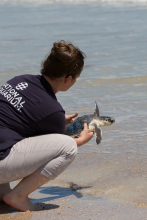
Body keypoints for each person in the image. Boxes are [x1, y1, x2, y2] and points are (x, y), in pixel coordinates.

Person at [0, 40, 94, 212]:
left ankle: (2, 191)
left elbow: (16, 116)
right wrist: (79, 141)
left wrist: (56, 119)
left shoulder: (19, 80)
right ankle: (18, 195)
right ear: (68, 78)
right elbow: (52, 146)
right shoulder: (52, 110)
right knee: (68, 147)